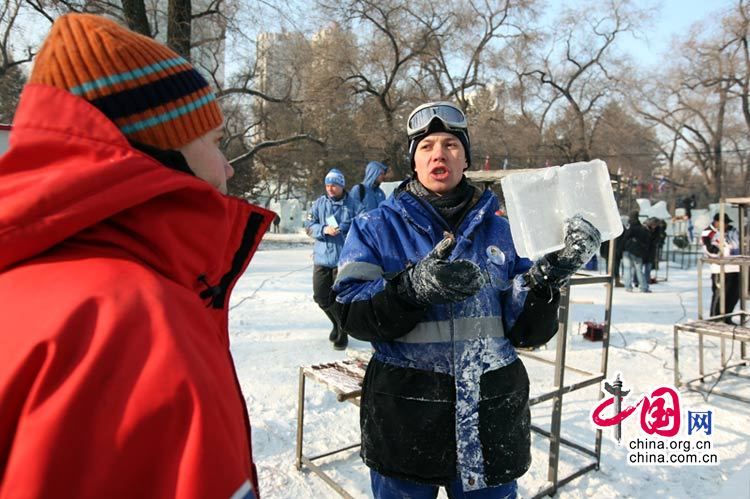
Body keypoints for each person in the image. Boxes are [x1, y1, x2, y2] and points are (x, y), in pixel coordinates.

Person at [0, 14, 273, 498]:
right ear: (157, 153)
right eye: (213, 142)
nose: (226, 165)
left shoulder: (21, 279)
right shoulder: (139, 323)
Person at [332, 101, 601, 498]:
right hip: (405, 421)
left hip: (490, 422)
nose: (439, 153)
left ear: (465, 159)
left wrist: (547, 281)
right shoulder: (374, 228)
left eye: (451, 145)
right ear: (414, 162)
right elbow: (350, 314)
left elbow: (528, 333)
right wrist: (411, 290)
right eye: (426, 147)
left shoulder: (505, 232)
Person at [304, 168, 358, 350]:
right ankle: (337, 322)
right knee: (320, 296)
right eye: (327, 185)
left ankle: (343, 331)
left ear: (342, 186)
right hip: (322, 258)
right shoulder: (319, 204)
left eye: (334, 185)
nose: (330, 188)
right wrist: (323, 230)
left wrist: (344, 227)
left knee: (340, 298)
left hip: (344, 260)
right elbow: (309, 226)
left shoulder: (354, 205)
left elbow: (363, 225)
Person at [701, 213, 741, 323]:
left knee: (734, 294)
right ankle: (715, 318)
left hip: (736, 266)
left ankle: (727, 317)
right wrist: (721, 252)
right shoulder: (709, 232)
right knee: (720, 294)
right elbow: (708, 248)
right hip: (720, 268)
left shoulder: (734, 231)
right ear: (716, 221)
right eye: (725, 223)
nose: (727, 225)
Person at [621, 210, 652, 293]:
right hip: (638, 253)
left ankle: (628, 287)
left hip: (627, 251)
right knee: (639, 270)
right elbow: (646, 241)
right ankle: (643, 287)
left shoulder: (629, 227)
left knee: (627, 270)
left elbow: (624, 239)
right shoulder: (641, 228)